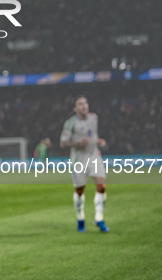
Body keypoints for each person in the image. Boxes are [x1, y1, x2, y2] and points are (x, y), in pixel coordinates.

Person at [59, 95, 108, 233]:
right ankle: (80, 218)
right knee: (80, 191)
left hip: (94, 156)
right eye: (80, 104)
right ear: (75, 108)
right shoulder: (70, 123)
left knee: (102, 186)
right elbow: (63, 143)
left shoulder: (94, 118)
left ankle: (99, 218)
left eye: (85, 103)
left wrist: (98, 141)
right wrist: (78, 143)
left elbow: (94, 134)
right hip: (79, 160)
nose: (84, 105)